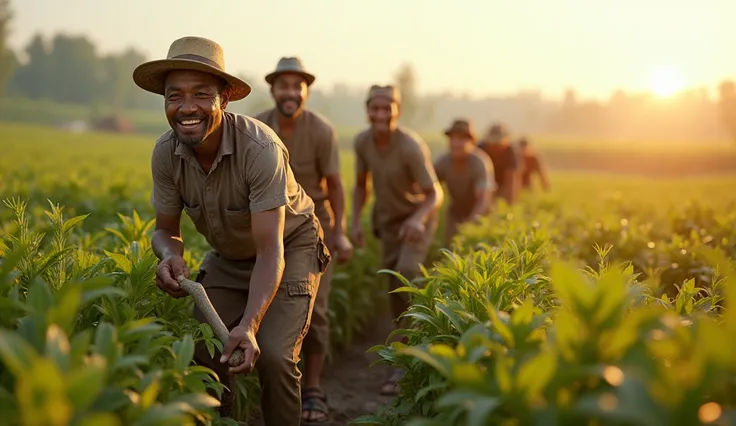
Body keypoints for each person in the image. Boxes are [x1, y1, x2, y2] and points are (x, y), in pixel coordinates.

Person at [132, 36, 331, 426]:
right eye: (175, 96)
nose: (187, 108)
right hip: (229, 253)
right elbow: (165, 229)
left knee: (274, 354)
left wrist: (250, 324)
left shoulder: (259, 149)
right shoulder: (165, 153)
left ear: (224, 99)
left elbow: (271, 251)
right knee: (203, 349)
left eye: (201, 94)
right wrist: (170, 255)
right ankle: (221, 418)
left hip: (289, 248)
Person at [254, 56, 353, 425]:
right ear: (273, 90)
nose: (291, 92)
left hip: (311, 228)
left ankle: (312, 386)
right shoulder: (258, 126)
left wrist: (340, 231)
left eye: (298, 86)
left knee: (314, 309)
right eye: (284, 85)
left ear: (306, 91)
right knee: (260, 302)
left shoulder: (321, 131)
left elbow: (336, 185)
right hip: (265, 224)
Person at [350, 85, 444, 396]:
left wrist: (417, 219)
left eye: (386, 108)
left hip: (415, 222)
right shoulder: (363, 142)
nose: (380, 115)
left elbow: (435, 194)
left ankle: (410, 362)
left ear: (397, 111)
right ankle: (403, 351)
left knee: (406, 273)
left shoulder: (409, 146)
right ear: (367, 111)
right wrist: (354, 221)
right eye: (374, 108)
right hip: (387, 223)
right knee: (394, 288)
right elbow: (361, 185)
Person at [433, 119, 495, 247]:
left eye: (461, 139)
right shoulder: (443, 162)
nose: (456, 144)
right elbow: (428, 187)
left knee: (475, 248)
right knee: (450, 248)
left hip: (479, 213)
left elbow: (483, 200)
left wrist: (470, 223)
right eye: (453, 139)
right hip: (455, 212)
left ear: (471, 142)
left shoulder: (480, 162)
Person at [477, 123, 521, 205]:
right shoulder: (480, 149)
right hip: (482, 182)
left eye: (498, 145)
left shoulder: (510, 152)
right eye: (493, 144)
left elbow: (512, 179)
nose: (495, 147)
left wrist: (511, 204)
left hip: (502, 183)